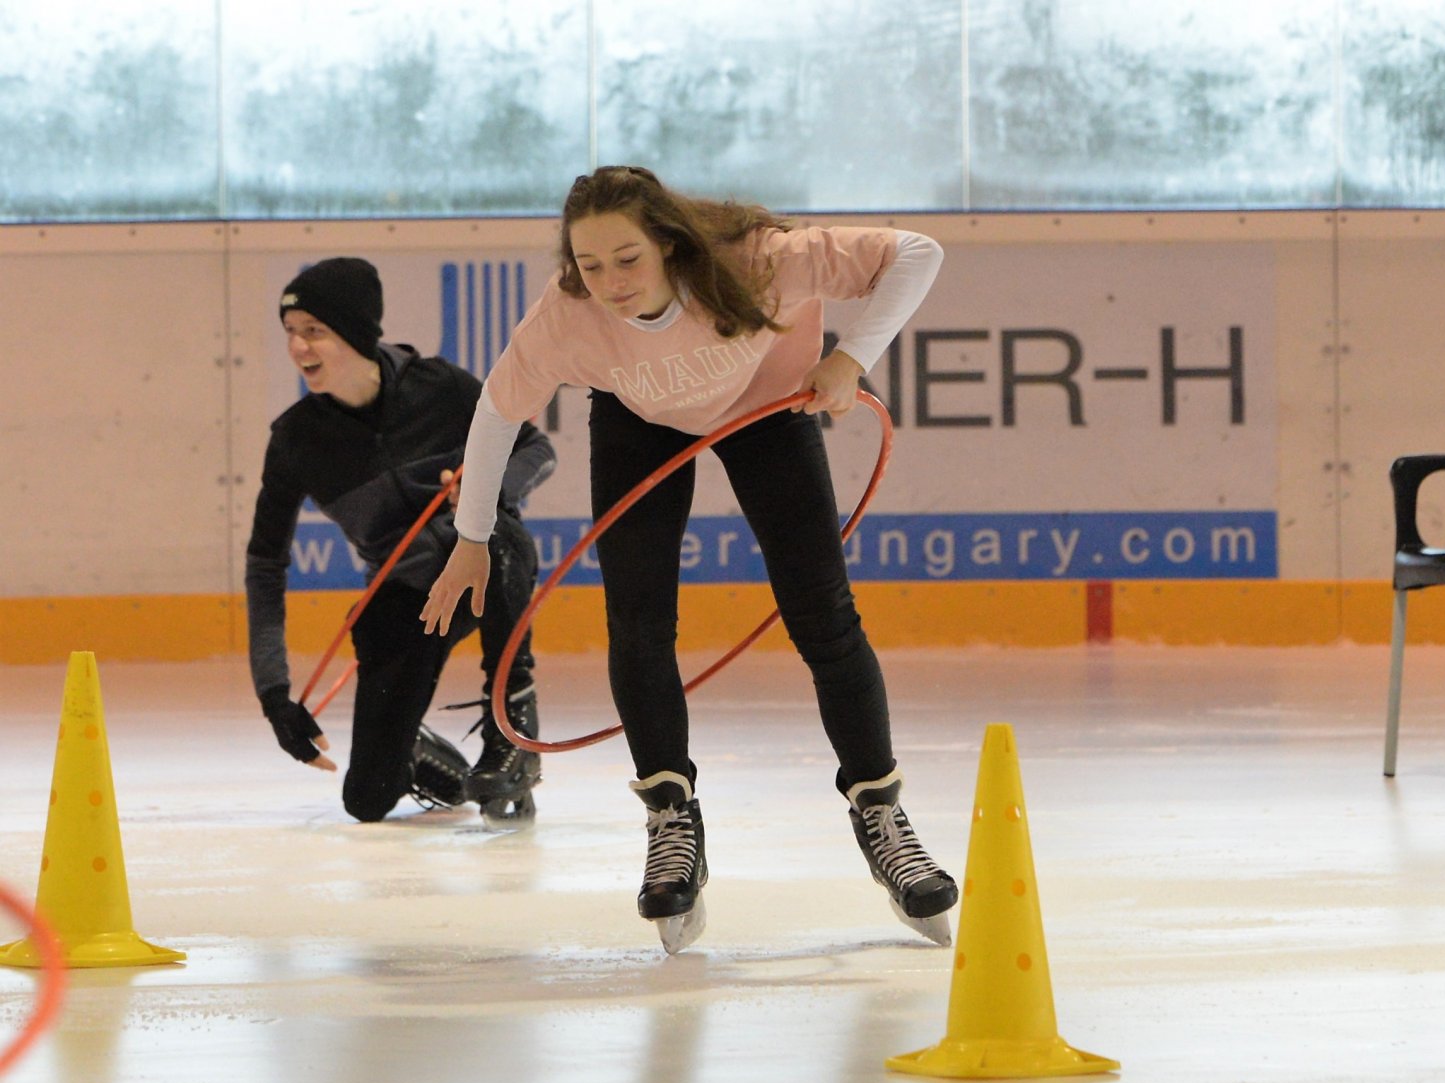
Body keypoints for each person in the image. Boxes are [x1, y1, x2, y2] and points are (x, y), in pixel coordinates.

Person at [420, 165, 952, 954]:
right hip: (640, 426)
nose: (610, 282)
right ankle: (671, 817)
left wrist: (852, 359)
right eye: (590, 264)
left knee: (823, 614)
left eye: (627, 258)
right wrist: (469, 540)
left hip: (770, 409)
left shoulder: (757, 260)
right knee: (637, 623)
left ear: (669, 242)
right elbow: (497, 412)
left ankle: (880, 811)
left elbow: (918, 252)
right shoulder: (569, 316)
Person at [247, 257, 556, 826]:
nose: (298, 347)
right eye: (291, 333)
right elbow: (265, 563)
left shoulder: (438, 386)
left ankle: (512, 727)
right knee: (366, 800)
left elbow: (536, 449)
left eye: (314, 331)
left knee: (498, 528)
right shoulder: (296, 440)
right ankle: (409, 746)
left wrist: (485, 490)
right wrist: (274, 695)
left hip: (478, 560)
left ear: (356, 333)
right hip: (407, 593)